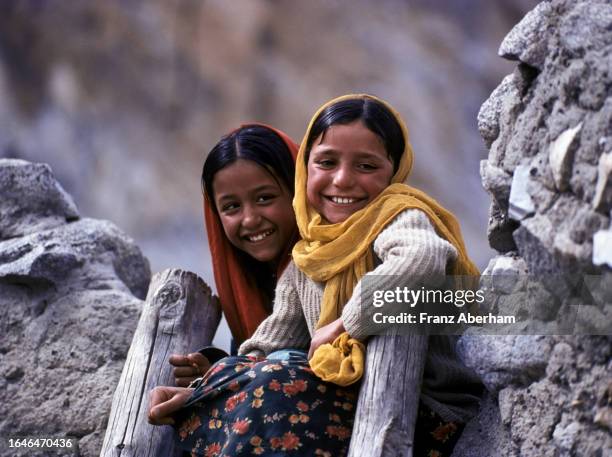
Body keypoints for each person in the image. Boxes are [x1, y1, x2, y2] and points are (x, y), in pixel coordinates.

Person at [150, 95, 483, 456]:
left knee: (276, 382)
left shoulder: (399, 216)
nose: (342, 180)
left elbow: (424, 258)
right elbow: (267, 345)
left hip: (426, 414)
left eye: (366, 166)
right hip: (356, 406)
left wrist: (345, 324)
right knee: (243, 388)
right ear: (304, 169)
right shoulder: (307, 258)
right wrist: (207, 386)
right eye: (326, 162)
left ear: (395, 170)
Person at [169, 124, 299, 387]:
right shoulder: (247, 286)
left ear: (299, 191)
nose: (250, 220)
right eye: (231, 207)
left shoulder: (337, 259)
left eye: (265, 198)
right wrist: (214, 368)